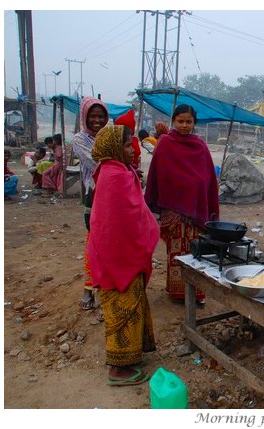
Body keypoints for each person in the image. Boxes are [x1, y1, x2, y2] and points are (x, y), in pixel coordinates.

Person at [87, 124, 159, 386]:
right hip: (118, 259)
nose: (133, 150)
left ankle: (131, 359)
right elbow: (122, 223)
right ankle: (118, 371)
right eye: (128, 145)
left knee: (130, 309)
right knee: (122, 311)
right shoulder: (115, 176)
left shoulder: (117, 171)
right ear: (115, 148)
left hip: (120, 255)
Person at [144, 104, 220, 303]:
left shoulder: (200, 146)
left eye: (189, 121)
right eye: (181, 121)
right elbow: (157, 175)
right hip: (174, 209)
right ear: (173, 121)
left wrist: (198, 190)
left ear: (194, 123)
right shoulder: (166, 144)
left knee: (197, 252)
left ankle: (197, 293)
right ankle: (177, 292)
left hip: (196, 209)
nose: (185, 125)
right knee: (176, 251)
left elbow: (209, 179)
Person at [72, 96, 110, 311]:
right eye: (93, 116)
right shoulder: (80, 139)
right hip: (95, 194)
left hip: (114, 194)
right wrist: (121, 164)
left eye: (101, 116)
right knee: (93, 241)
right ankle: (88, 287)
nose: (97, 120)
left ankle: (107, 287)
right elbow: (96, 163)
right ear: (85, 117)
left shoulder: (111, 134)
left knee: (112, 241)